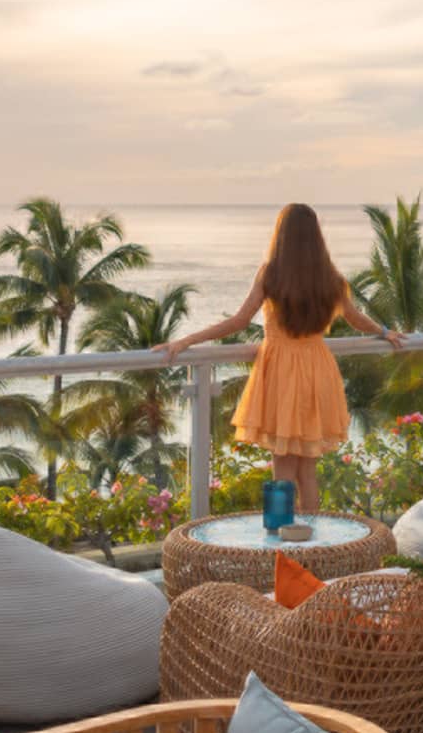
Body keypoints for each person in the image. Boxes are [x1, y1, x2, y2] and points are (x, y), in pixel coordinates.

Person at [158, 203, 404, 513]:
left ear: (282, 234)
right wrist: (385, 331)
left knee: (283, 469)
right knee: (307, 472)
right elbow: (355, 318)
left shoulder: (271, 273)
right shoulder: (331, 278)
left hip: (281, 371)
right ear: (317, 236)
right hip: (318, 367)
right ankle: (311, 545)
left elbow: (239, 321)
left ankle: (280, 540)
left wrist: (186, 340)